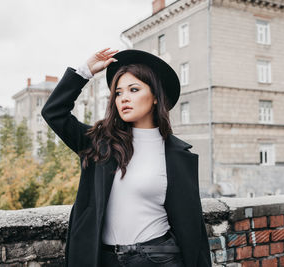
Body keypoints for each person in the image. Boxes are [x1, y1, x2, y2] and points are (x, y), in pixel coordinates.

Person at [41, 48, 211, 267]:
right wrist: (83, 73)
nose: (124, 98)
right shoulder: (101, 144)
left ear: (156, 98)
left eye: (134, 89)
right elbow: (54, 113)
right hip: (104, 259)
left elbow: (192, 227)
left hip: (158, 258)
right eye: (119, 93)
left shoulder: (178, 155)